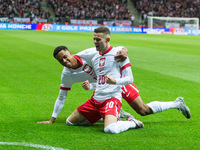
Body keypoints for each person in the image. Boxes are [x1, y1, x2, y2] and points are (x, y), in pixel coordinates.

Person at [66, 26, 144, 134]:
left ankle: (132, 122)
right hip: (95, 100)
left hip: (111, 98)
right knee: (70, 122)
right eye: (94, 39)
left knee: (110, 129)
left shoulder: (119, 54)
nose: (95, 42)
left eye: (98, 39)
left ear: (107, 40)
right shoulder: (95, 58)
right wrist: (91, 86)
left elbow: (130, 79)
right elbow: (100, 81)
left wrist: (115, 81)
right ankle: (105, 116)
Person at [37, 46, 129, 124]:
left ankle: (116, 114)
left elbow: (109, 48)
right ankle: (114, 115)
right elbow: (62, 97)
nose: (64, 61)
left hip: (119, 81)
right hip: (102, 89)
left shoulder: (87, 54)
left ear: (70, 53)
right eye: (60, 60)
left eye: (65, 57)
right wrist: (52, 119)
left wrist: (124, 49)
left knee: (142, 110)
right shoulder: (67, 74)